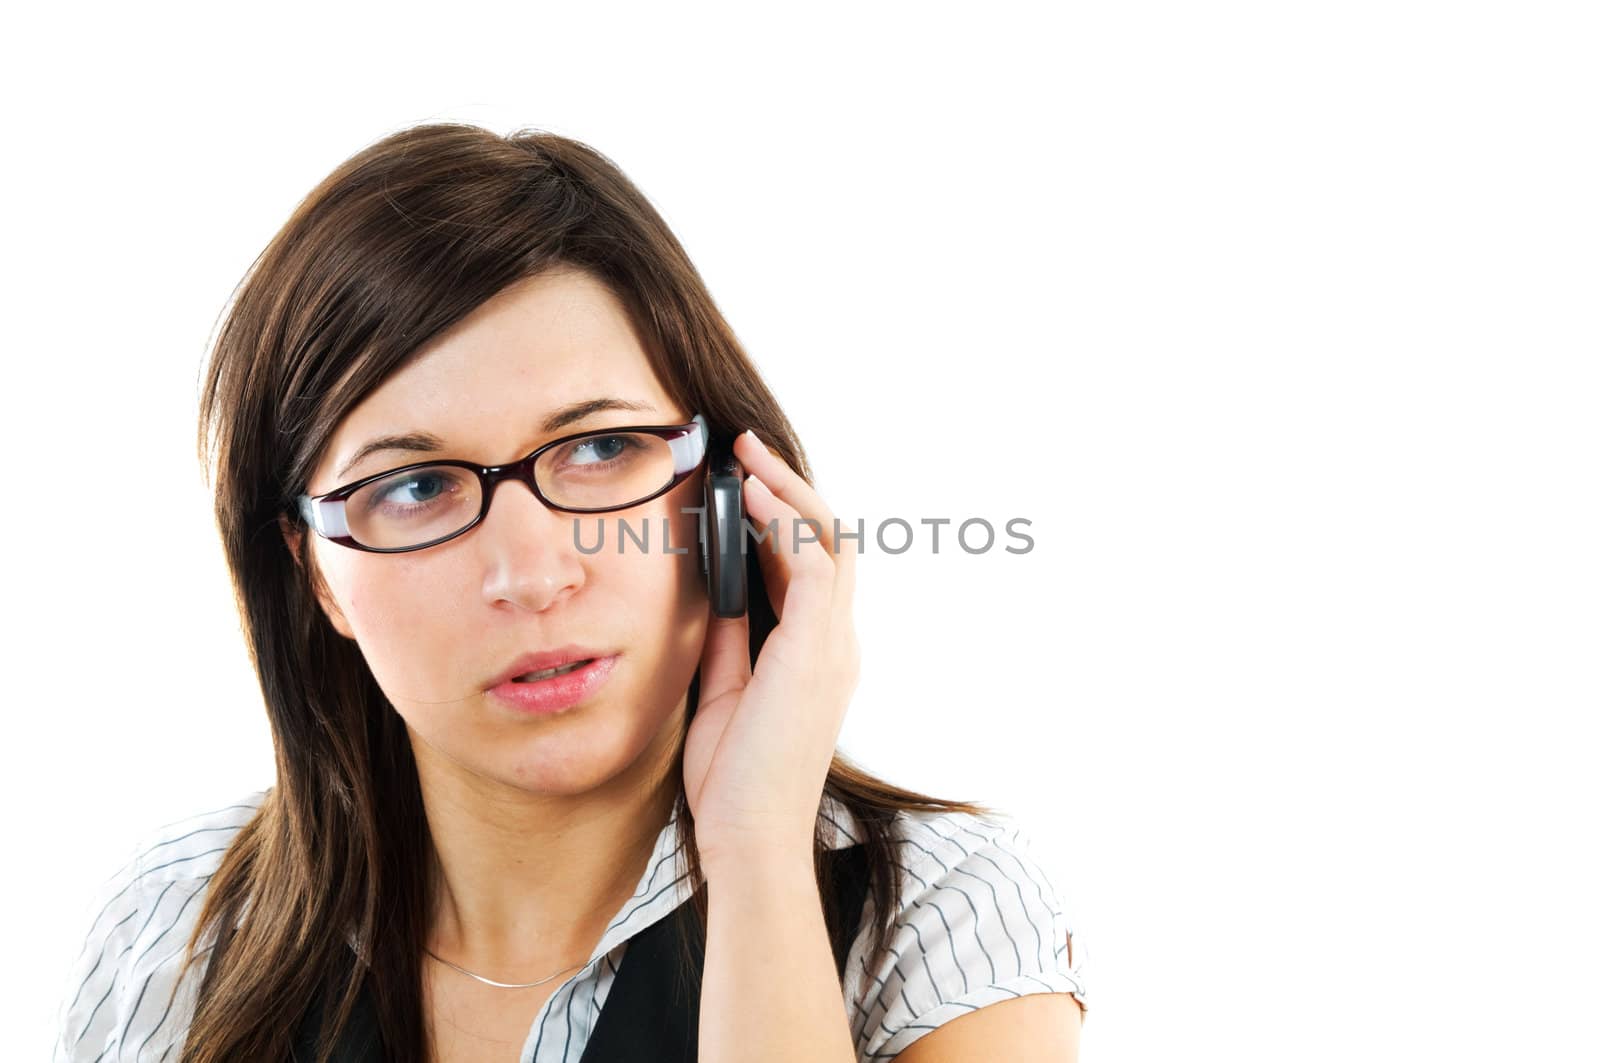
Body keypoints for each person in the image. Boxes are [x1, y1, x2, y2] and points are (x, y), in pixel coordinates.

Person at [52, 123, 1087, 1062]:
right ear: (313, 569)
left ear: (735, 496)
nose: (533, 574)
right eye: (413, 486)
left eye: (600, 447)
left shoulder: (937, 911)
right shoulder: (180, 922)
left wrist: (758, 850)